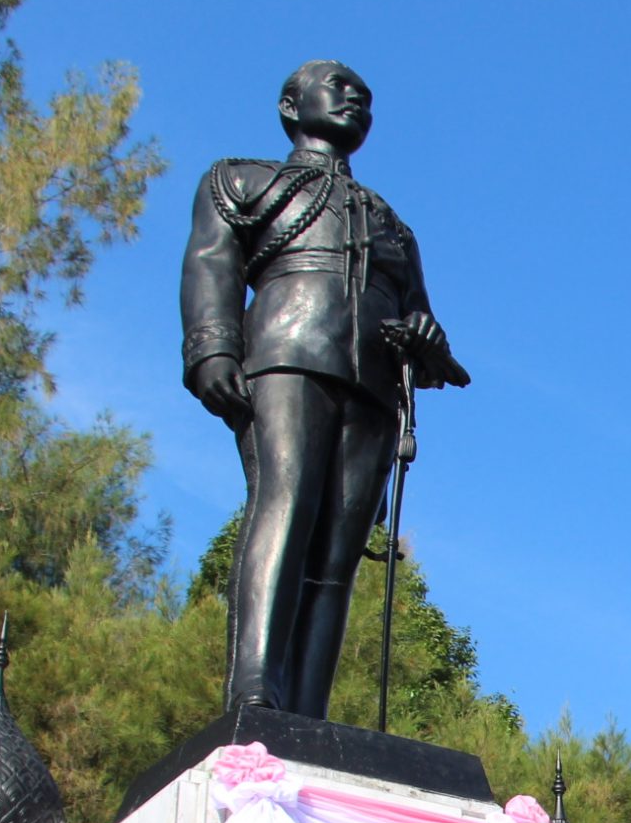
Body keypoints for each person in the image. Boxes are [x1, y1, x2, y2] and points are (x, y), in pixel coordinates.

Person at [179, 58, 469, 717]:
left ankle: (306, 708)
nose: (354, 100)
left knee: (338, 552)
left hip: (372, 387)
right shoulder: (242, 180)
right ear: (290, 103)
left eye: (364, 96)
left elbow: (424, 325)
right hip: (287, 354)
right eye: (338, 89)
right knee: (285, 503)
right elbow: (211, 263)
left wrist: (427, 344)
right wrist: (212, 347)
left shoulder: (393, 224)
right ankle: (255, 686)